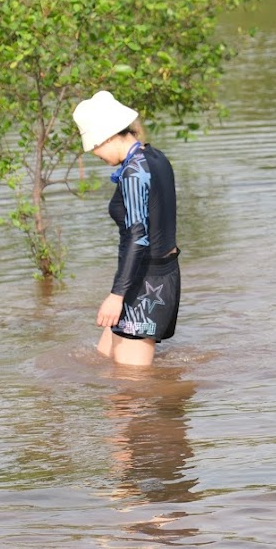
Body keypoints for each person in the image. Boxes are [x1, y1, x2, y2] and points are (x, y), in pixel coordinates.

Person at [73, 90, 180, 367]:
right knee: (103, 363)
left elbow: (138, 236)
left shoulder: (134, 171)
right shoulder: (155, 157)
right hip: (156, 275)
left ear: (107, 137)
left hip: (146, 283)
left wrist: (116, 295)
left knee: (129, 394)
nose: (93, 153)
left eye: (94, 146)